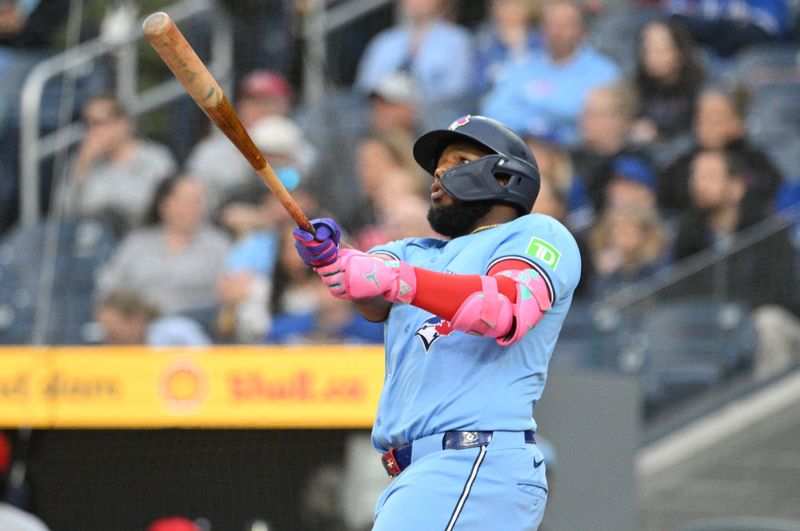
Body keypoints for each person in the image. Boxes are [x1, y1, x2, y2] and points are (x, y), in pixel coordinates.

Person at [292, 115, 581, 529]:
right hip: (421, 475)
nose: (439, 174)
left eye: (458, 160)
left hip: (473, 459)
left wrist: (393, 279)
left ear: (503, 176)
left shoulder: (537, 233)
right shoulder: (414, 251)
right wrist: (331, 258)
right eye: (437, 166)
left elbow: (505, 309)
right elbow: (370, 292)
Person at [673, 148, 800, 380]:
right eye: (696, 176)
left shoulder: (767, 231)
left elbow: (781, 294)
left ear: (736, 186)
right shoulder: (688, 239)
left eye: (709, 177)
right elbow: (684, 297)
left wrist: (738, 309)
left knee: (768, 323)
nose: (698, 185)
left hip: (778, 329)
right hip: (715, 329)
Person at [480, 0, 620, 145]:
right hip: (525, 149)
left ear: (580, 30)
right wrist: (536, 125)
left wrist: (532, 106)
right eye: (550, 25)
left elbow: (590, 119)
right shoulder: (524, 65)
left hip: (579, 154)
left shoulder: (602, 71)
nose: (556, 31)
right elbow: (494, 110)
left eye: (564, 25)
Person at [95, 175, 230, 322]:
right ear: (164, 205)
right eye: (188, 201)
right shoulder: (137, 244)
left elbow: (229, 292)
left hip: (201, 327)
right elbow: (108, 287)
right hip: (141, 327)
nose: (195, 208)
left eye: (199, 201)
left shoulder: (218, 245)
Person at [659, 84, 784, 217]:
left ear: (737, 123)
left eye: (716, 117)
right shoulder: (682, 163)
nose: (706, 124)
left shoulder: (757, 162)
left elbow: (771, 196)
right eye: (701, 116)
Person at [59, 95, 177, 233]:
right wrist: (82, 167)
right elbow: (64, 213)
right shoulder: (82, 162)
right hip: (95, 245)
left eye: (98, 123)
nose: (92, 132)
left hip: (145, 241)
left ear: (123, 124)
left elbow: (165, 208)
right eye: (87, 125)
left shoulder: (156, 158)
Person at [354, 0, 474, 107]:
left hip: (431, 121)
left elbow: (456, 95)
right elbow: (364, 91)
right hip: (383, 121)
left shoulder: (458, 41)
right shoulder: (383, 42)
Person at [629, 19, 705, 149]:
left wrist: (659, 136)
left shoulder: (700, 90)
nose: (653, 57)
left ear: (680, 52)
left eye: (661, 50)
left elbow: (697, 134)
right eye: (647, 50)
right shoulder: (636, 88)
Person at [94, 289, 210, 346]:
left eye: (113, 330)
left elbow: (210, 361)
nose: (108, 336)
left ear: (137, 319)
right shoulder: (110, 353)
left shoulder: (177, 333)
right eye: (105, 329)